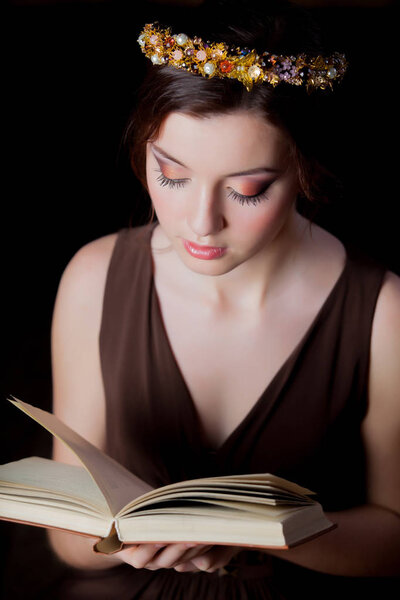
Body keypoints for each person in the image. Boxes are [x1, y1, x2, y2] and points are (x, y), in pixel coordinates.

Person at [46, 1, 400, 598]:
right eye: (172, 175)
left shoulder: (381, 311)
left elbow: (394, 541)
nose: (201, 222)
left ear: (303, 173)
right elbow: (63, 539)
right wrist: (121, 539)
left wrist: (264, 533)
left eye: (247, 190)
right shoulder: (94, 277)